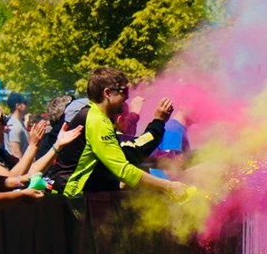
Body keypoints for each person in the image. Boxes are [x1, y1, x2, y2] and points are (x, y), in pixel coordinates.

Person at [61, 68, 187, 201]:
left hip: (73, 194)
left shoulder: (95, 115)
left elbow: (123, 155)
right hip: (71, 196)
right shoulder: (97, 120)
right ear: (107, 93)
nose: (127, 97)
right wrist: (169, 186)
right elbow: (124, 170)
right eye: (123, 91)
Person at [4, 93, 29, 160]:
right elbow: (15, 152)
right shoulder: (14, 125)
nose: (27, 105)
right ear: (17, 105)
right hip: (19, 167)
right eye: (25, 103)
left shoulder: (19, 122)